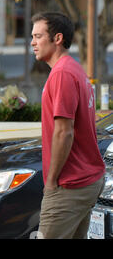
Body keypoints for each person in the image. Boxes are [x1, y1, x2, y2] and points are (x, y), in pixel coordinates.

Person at [31, 12, 105, 239]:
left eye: (38, 36)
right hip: (86, 179)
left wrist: (51, 181)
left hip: (69, 183)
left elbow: (64, 132)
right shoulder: (73, 69)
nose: (32, 42)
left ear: (57, 38)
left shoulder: (62, 73)